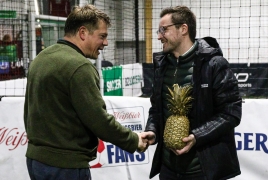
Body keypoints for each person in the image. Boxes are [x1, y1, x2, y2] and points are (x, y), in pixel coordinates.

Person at [24, 4, 147, 180]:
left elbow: (28, 112)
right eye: (102, 36)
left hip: (36, 161)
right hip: (65, 167)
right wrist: (134, 140)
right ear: (83, 33)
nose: (105, 43)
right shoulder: (80, 67)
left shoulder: (41, 59)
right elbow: (99, 121)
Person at [141, 6, 242, 180]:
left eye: (163, 29)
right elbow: (157, 108)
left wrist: (196, 136)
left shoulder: (214, 64)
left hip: (202, 170)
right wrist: (153, 129)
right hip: (168, 169)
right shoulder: (162, 65)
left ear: (183, 29)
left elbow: (231, 112)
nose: (158, 36)